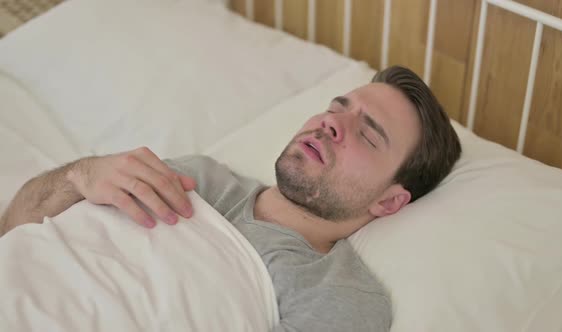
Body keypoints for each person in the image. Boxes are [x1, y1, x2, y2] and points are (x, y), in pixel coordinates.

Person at [0, 65, 461, 331]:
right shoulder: (199, 176)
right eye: (338, 108)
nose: (333, 123)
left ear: (388, 202)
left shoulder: (337, 294)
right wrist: (81, 176)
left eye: (369, 134)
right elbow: (14, 230)